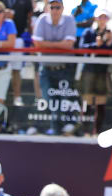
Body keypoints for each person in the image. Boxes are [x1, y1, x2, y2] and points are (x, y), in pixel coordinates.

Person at [32, 0, 75, 134]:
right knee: (49, 100)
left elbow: (69, 45)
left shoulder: (69, 20)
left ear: (62, 8)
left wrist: (47, 45)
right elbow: (37, 44)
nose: (55, 10)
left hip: (64, 69)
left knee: (63, 102)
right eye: (53, 7)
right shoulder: (42, 19)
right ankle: (56, 129)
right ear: (48, 8)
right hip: (46, 69)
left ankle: (59, 129)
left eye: (58, 7)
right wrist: (59, 45)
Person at [79, 9, 112, 136]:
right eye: (100, 17)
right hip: (89, 72)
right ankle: (85, 132)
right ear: (96, 19)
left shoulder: (111, 33)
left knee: (101, 104)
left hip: (103, 73)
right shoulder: (88, 32)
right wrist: (96, 44)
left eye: (105, 17)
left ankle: (97, 132)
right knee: (87, 104)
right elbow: (82, 47)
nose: (102, 20)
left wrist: (107, 42)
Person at [4, 0, 34, 107]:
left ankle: (17, 96)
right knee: (1, 70)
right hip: (1, 39)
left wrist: (31, 39)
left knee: (16, 70)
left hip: (18, 38)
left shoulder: (26, 1)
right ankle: (3, 98)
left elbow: (29, 18)